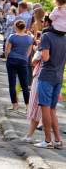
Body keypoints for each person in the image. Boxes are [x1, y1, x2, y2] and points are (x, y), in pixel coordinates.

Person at [33, 16, 66, 149]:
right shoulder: (64, 38)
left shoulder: (46, 36)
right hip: (59, 76)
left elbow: (45, 57)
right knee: (52, 109)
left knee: (45, 108)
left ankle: (47, 141)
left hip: (46, 75)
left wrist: (40, 50)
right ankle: (58, 140)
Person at [5, 20, 33, 111]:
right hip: (23, 61)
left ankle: (15, 105)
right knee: (24, 85)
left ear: (16, 27)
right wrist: (24, 58)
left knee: (12, 84)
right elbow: (29, 52)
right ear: (24, 28)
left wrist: (7, 59)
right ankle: (27, 106)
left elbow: (7, 50)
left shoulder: (12, 37)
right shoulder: (29, 38)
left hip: (12, 60)